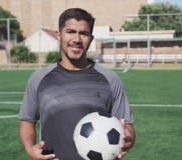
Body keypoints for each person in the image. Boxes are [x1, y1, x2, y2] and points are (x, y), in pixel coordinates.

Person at [19, 8, 135, 160]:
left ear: (91, 39)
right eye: (71, 31)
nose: (77, 39)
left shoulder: (110, 79)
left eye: (84, 33)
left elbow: (127, 126)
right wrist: (29, 148)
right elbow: (27, 120)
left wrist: (129, 138)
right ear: (59, 35)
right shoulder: (39, 78)